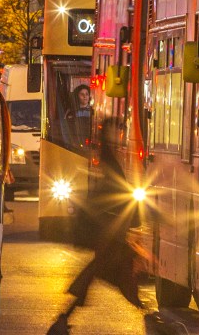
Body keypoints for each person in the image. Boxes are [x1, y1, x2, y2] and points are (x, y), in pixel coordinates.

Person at [47, 118, 144, 334]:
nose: (121, 141)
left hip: (111, 233)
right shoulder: (112, 166)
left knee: (98, 274)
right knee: (111, 274)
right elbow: (117, 196)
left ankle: (63, 319)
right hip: (111, 234)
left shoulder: (112, 166)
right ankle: (63, 320)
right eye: (116, 134)